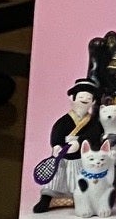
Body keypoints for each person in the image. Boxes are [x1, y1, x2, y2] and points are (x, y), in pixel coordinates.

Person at [33, 78, 101, 212]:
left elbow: (94, 136)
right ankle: (46, 199)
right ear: (72, 98)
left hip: (81, 158)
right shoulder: (63, 121)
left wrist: (79, 143)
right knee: (56, 177)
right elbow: (56, 134)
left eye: (88, 98)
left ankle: (81, 199)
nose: (85, 99)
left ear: (93, 102)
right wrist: (56, 146)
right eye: (81, 97)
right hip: (63, 158)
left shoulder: (93, 123)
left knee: (82, 181)